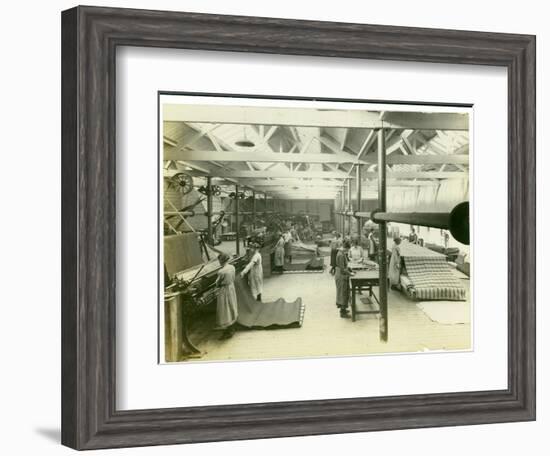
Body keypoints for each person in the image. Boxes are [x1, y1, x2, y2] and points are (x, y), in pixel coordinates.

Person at [215, 252, 238, 340]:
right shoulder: (232, 267)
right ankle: (232, 327)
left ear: (221, 261)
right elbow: (233, 278)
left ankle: (228, 331)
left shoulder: (221, 271)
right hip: (231, 288)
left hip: (224, 290)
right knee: (232, 306)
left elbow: (217, 283)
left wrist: (217, 285)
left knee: (225, 309)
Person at [335, 240, 354, 318]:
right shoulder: (341, 255)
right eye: (347, 250)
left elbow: (344, 265)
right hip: (341, 276)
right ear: (345, 248)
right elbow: (342, 269)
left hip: (342, 275)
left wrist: (349, 268)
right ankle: (342, 313)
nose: (347, 251)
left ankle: (344, 309)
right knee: (343, 294)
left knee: (345, 293)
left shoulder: (342, 253)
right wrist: (350, 273)